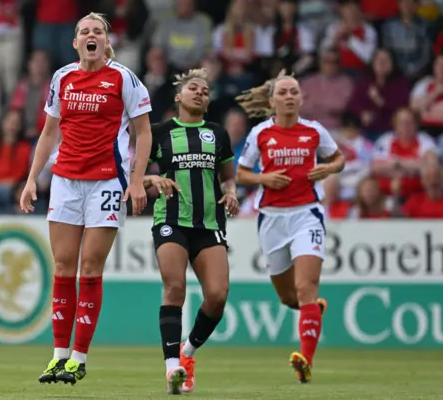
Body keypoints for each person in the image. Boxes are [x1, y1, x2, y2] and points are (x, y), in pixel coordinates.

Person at [19, 12, 152, 385]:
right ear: (75, 42)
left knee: (91, 267)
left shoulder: (123, 78)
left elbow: (143, 133)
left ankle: (79, 357)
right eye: (84, 32)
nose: (90, 35)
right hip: (64, 181)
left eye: (97, 31)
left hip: (107, 183)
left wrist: (137, 181)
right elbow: (49, 134)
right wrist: (32, 179)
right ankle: (58, 356)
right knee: (63, 267)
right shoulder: (62, 78)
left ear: (106, 42)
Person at [235, 70, 346, 384]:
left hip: (307, 215)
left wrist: (327, 168)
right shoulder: (260, 134)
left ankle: (305, 361)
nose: (289, 97)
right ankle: (313, 310)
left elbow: (339, 159)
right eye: (282, 92)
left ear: (301, 98)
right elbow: (241, 175)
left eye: (294, 92)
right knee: (287, 298)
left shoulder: (314, 131)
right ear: (272, 101)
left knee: (305, 289)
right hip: (271, 218)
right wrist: (263, 179)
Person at [143, 68, 239, 394]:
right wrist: (151, 180)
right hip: (171, 218)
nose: (200, 93)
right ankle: (171, 369)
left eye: (205, 91)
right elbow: (133, 175)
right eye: (193, 88)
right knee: (174, 286)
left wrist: (232, 192)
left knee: (218, 295)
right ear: (178, 97)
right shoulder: (159, 132)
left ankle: (187, 354)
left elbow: (227, 176)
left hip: (209, 224)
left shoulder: (218, 133)